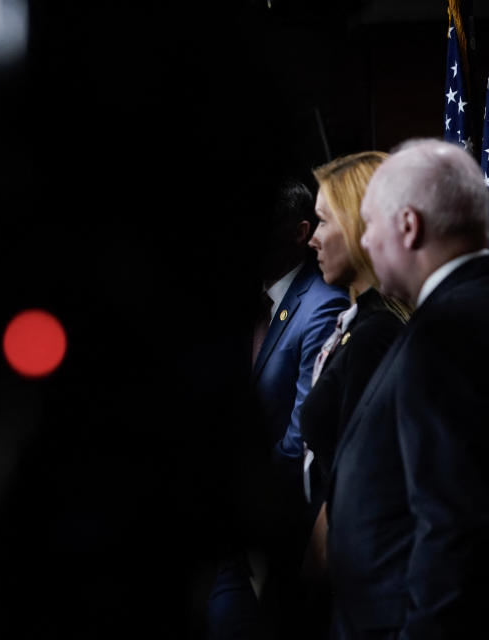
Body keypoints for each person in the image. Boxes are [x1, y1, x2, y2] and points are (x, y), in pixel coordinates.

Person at [328, 138, 489, 637]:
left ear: (407, 225)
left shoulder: (448, 329)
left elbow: (455, 525)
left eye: (369, 225)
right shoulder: (466, 308)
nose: (367, 243)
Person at [206, 179, 350, 639]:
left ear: (298, 231)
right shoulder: (236, 297)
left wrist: (245, 499)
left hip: (282, 526)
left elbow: (300, 435)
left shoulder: (321, 305)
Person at [295, 151, 410, 635]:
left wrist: (307, 579)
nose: (313, 240)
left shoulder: (376, 333)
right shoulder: (357, 324)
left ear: (360, 222)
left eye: (322, 221)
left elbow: (356, 478)